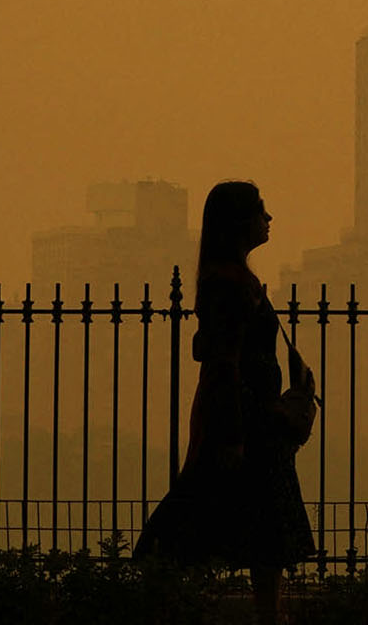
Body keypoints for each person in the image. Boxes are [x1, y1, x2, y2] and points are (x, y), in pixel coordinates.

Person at [135, 181, 315, 623]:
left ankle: (262, 610)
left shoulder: (235, 279)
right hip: (244, 419)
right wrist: (233, 434)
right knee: (218, 515)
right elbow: (225, 363)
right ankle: (249, 610)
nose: (268, 219)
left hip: (253, 417)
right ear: (239, 222)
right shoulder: (228, 284)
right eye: (260, 210)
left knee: (251, 520)